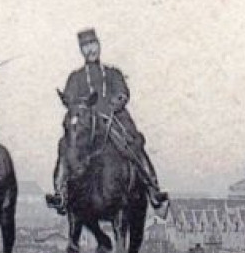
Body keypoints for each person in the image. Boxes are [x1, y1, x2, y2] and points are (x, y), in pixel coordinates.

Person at [46, 28, 170, 214]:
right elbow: (71, 100)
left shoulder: (112, 74)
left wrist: (114, 103)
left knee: (131, 144)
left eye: (93, 45)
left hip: (113, 119)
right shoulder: (75, 78)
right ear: (81, 50)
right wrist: (76, 106)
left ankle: (153, 189)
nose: (90, 50)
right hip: (87, 124)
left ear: (99, 45)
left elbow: (123, 93)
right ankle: (60, 193)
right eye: (85, 47)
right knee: (66, 146)